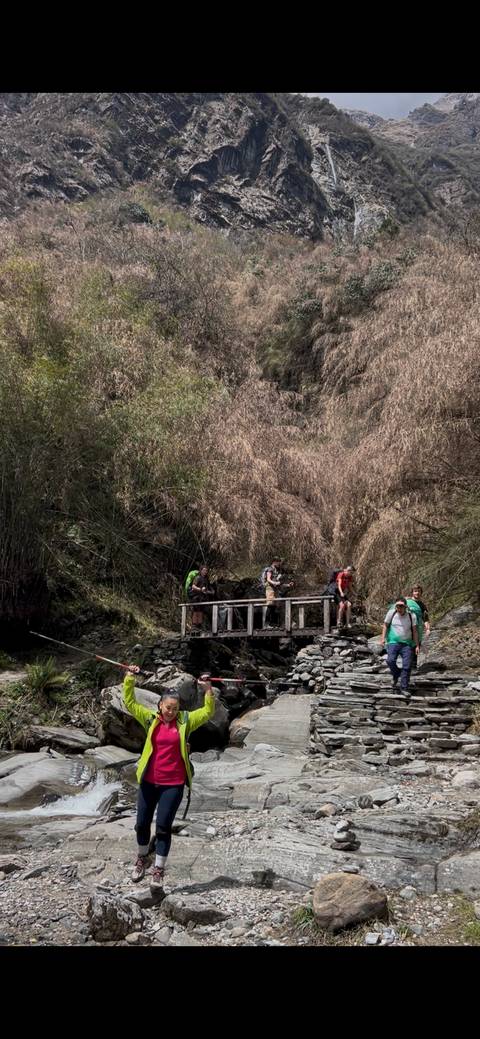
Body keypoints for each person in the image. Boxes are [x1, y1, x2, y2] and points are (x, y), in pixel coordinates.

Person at [124, 667, 215, 890]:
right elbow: (130, 703)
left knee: (163, 827)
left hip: (173, 784)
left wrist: (208, 690)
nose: (170, 712)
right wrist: (129, 679)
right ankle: (142, 858)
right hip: (149, 781)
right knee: (141, 824)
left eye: (174, 708)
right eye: (167, 708)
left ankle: (159, 869)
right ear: (160, 706)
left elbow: (207, 713)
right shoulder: (150, 719)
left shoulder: (185, 721)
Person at [380, 595, 419, 693]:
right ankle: (397, 674)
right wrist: (382, 639)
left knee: (407, 666)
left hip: (407, 644)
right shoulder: (391, 613)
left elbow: (415, 631)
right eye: (397, 606)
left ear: (405, 606)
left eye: (401, 606)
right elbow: (385, 625)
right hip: (393, 642)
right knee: (390, 660)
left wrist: (417, 645)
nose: (399, 608)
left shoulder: (411, 616)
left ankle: (404, 688)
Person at [406, 584, 431, 669]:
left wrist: (428, 629)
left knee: (415, 649)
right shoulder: (407, 602)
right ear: (412, 592)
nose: (417, 593)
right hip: (407, 629)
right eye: (415, 591)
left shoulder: (422, 605)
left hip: (418, 630)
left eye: (419, 591)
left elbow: (426, 618)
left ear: (421, 593)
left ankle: (413, 669)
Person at [188, 565, 215, 632]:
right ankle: (194, 626)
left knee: (200, 611)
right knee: (196, 611)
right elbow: (193, 586)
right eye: (204, 570)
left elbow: (208, 588)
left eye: (206, 571)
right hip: (196, 597)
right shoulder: (198, 577)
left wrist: (209, 592)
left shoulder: (206, 579)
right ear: (201, 571)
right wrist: (200, 589)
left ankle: (199, 626)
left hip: (202, 598)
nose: (205, 572)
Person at [264, 557, 283, 627]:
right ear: (274, 562)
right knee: (270, 605)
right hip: (270, 589)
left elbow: (278, 580)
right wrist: (274, 583)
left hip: (275, 590)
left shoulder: (276, 570)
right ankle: (267, 623)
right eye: (278, 562)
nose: (279, 564)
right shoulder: (270, 569)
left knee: (275, 606)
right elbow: (268, 579)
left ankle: (273, 623)